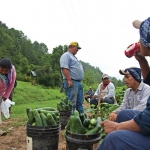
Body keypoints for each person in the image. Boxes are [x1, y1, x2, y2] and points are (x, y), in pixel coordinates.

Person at [97, 17, 150, 150]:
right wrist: (141, 60)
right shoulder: (128, 91)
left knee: (114, 138)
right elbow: (123, 108)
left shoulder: (146, 89)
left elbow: (146, 117)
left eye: (128, 76)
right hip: (144, 119)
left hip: (146, 119)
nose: (125, 80)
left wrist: (117, 127)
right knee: (122, 114)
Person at [60, 42, 84, 114]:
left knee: (79, 103)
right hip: (72, 82)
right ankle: (71, 122)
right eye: (77, 48)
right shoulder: (66, 55)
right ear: (73, 47)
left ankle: (82, 120)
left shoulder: (74, 57)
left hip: (78, 83)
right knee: (71, 103)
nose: (78, 50)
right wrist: (69, 80)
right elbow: (64, 68)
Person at [0, 58, 16, 136]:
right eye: (2, 69)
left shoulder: (12, 70)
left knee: (0, 112)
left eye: (6, 71)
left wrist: (6, 95)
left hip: (2, 93)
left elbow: (11, 84)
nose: (3, 72)